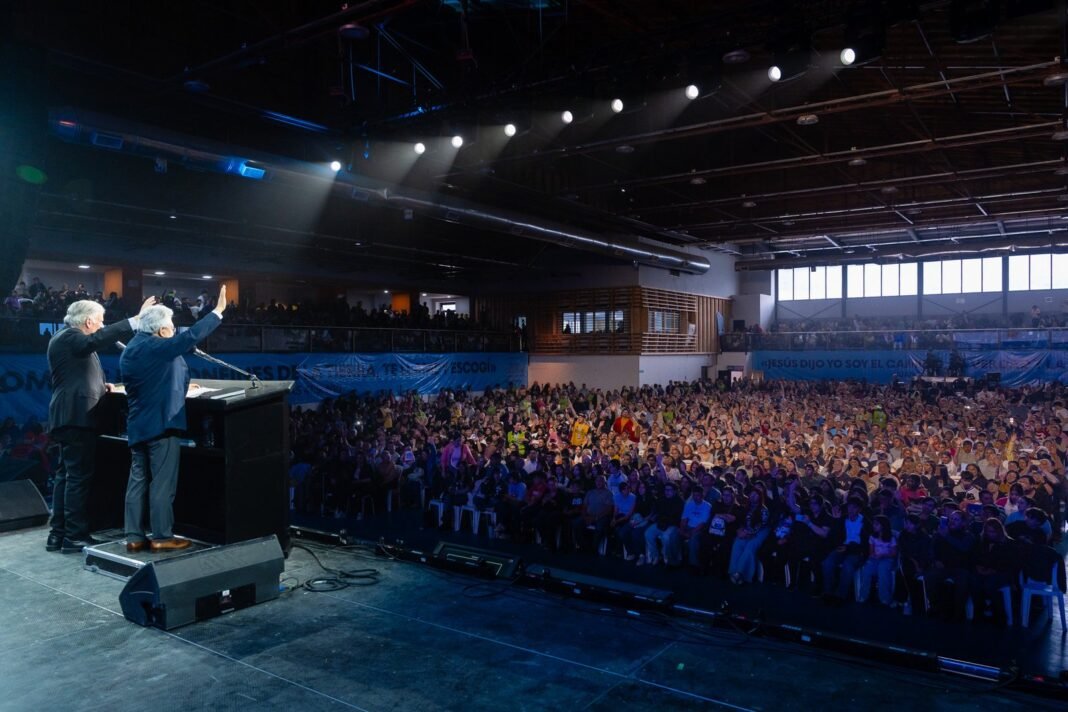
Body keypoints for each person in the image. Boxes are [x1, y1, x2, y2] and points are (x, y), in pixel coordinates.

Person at [46, 296, 155, 553]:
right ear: (88, 321)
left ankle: (58, 534)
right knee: (77, 479)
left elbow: (77, 373)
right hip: (76, 416)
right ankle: (74, 537)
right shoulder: (71, 337)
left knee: (65, 476)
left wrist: (100, 386)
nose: (102, 325)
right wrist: (136, 320)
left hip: (68, 415)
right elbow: (95, 340)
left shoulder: (67, 340)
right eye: (100, 321)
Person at [121, 285, 226, 552]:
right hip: (162, 424)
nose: (172, 331)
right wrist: (217, 312)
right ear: (162, 331)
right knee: (162, 484)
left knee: (137, 481)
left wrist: (143, 315)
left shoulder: (133, 346)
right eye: (170, 327)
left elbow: (153, 376)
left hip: (138, 424)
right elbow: (190, 336)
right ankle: (161, 536)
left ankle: (133, 536)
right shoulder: (159, 347)